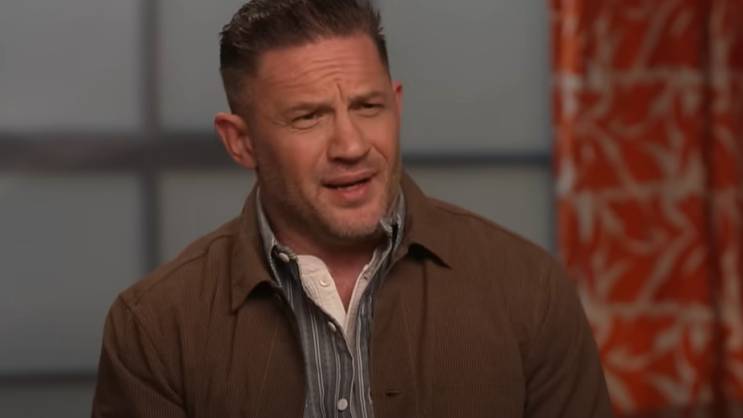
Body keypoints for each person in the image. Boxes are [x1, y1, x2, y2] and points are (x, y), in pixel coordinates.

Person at [91, 0, 613, 417]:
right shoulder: (156, 326)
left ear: (397, 105)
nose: (351, 145)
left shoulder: (529, 289)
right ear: (240, 142)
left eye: (368, 107)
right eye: (308, 117)